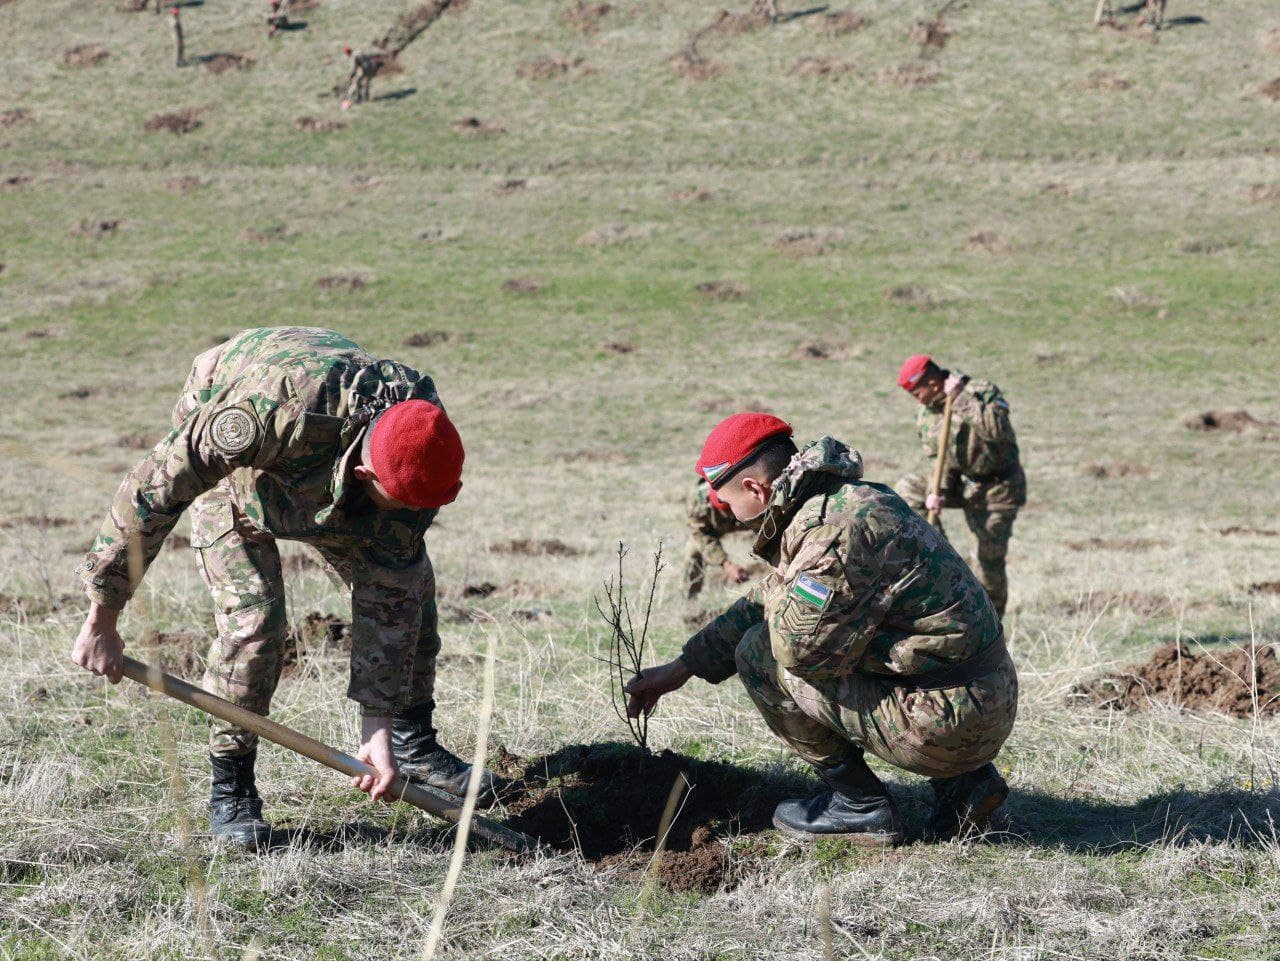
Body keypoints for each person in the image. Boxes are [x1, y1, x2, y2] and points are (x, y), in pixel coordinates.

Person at [71, 327, 498, 849]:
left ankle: (411, 743)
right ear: (365, 471)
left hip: (334, 461)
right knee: (255, 620)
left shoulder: (424, 442)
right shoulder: (269, 413)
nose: (414, 516)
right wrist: (103, 616)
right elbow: (151, 493)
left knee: (412, 593)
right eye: (402, 504)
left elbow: (389, 596)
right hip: (240, 445)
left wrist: (377, 730)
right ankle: (231, 783)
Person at [624, 413, 1018, 844]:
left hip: (950, 717)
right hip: (979, 693)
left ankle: (860, 806)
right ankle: (965, 785)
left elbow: (798, 651)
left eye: (728, 503)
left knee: (760, 655)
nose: (731, 517)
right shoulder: (838, 500)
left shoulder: (831, 532)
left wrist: (780, 599)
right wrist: (684, 666)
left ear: (756, 489)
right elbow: (766, 598)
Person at [894, 355, 1025, 619]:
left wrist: (962, 400)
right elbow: (938, 459)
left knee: (987, 565)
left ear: (932, 382)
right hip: (960, 483)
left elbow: (999, 432)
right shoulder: (927, 413)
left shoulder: (981, 391)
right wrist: (936, 491)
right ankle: (941, 557)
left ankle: (990, 626)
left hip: (996, 489)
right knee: (908, 488)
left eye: (917, 392)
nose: (917, 400)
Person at [682, 478, 752, 598]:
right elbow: (701, 536)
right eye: (728, 511)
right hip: (713, 525)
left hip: (747, 510)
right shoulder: (698, 502)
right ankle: (690, 601)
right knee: (693, 553)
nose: (733, 513)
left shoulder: (748, 488)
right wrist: (726, 564)